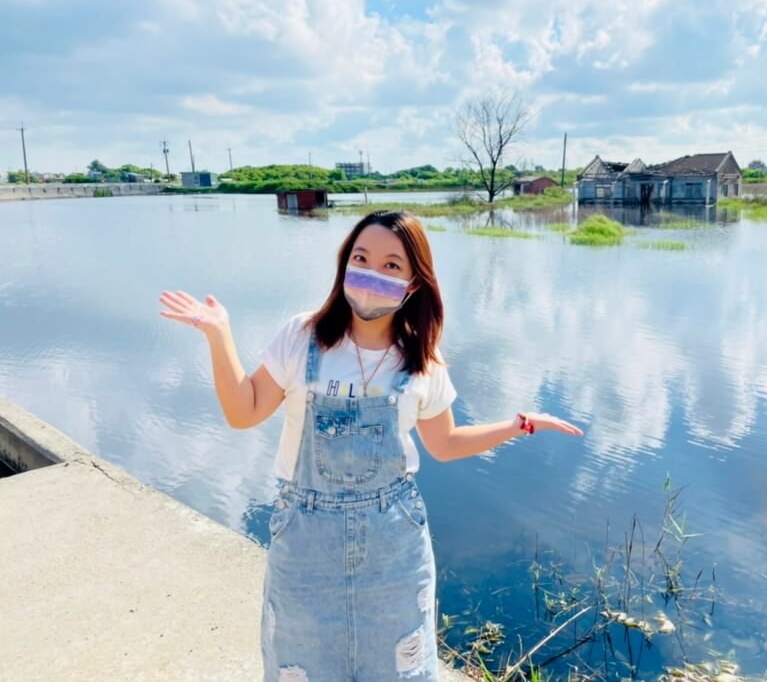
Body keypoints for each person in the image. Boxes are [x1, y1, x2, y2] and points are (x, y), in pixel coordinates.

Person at [158, 209, 584, 682]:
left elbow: (444, 443)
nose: (371, 274)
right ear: (344, 265)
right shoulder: (304, 338)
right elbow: (244, 411)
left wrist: (519, 423)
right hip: (304, 547)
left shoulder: (421, 360)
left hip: (394, 552)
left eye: (391, 266)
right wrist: (219, 336)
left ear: (414, 284)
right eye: (361, 259)